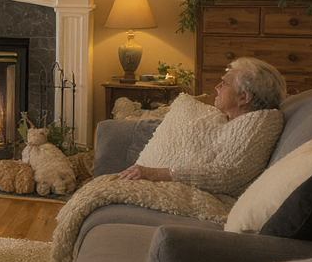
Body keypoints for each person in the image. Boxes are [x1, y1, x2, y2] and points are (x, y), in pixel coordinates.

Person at [117, 56, 287, 192]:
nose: (217, 87)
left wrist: (156, 173)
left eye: (225, 83)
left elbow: (227, 175)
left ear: (244, 97)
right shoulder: (229, 120)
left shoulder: (258, 123)